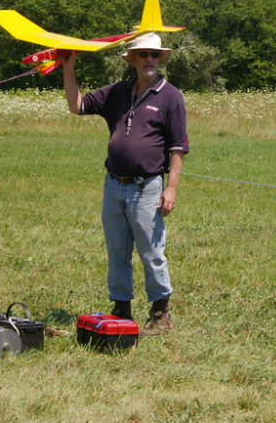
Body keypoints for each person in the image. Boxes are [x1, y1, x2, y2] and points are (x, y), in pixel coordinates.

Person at [63, 32, 189, 335]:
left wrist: (170, 189)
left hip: (147, 188)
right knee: (117, 249)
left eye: (154, 55)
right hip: (113, 186)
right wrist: (69, 67)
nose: (149, 60)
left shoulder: (171, 96)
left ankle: (161, 312)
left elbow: (178, 147)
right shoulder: (117, 92)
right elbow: (76, 105)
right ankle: (121, 308)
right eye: (143, 54)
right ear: (132, 59)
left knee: (151, 251)